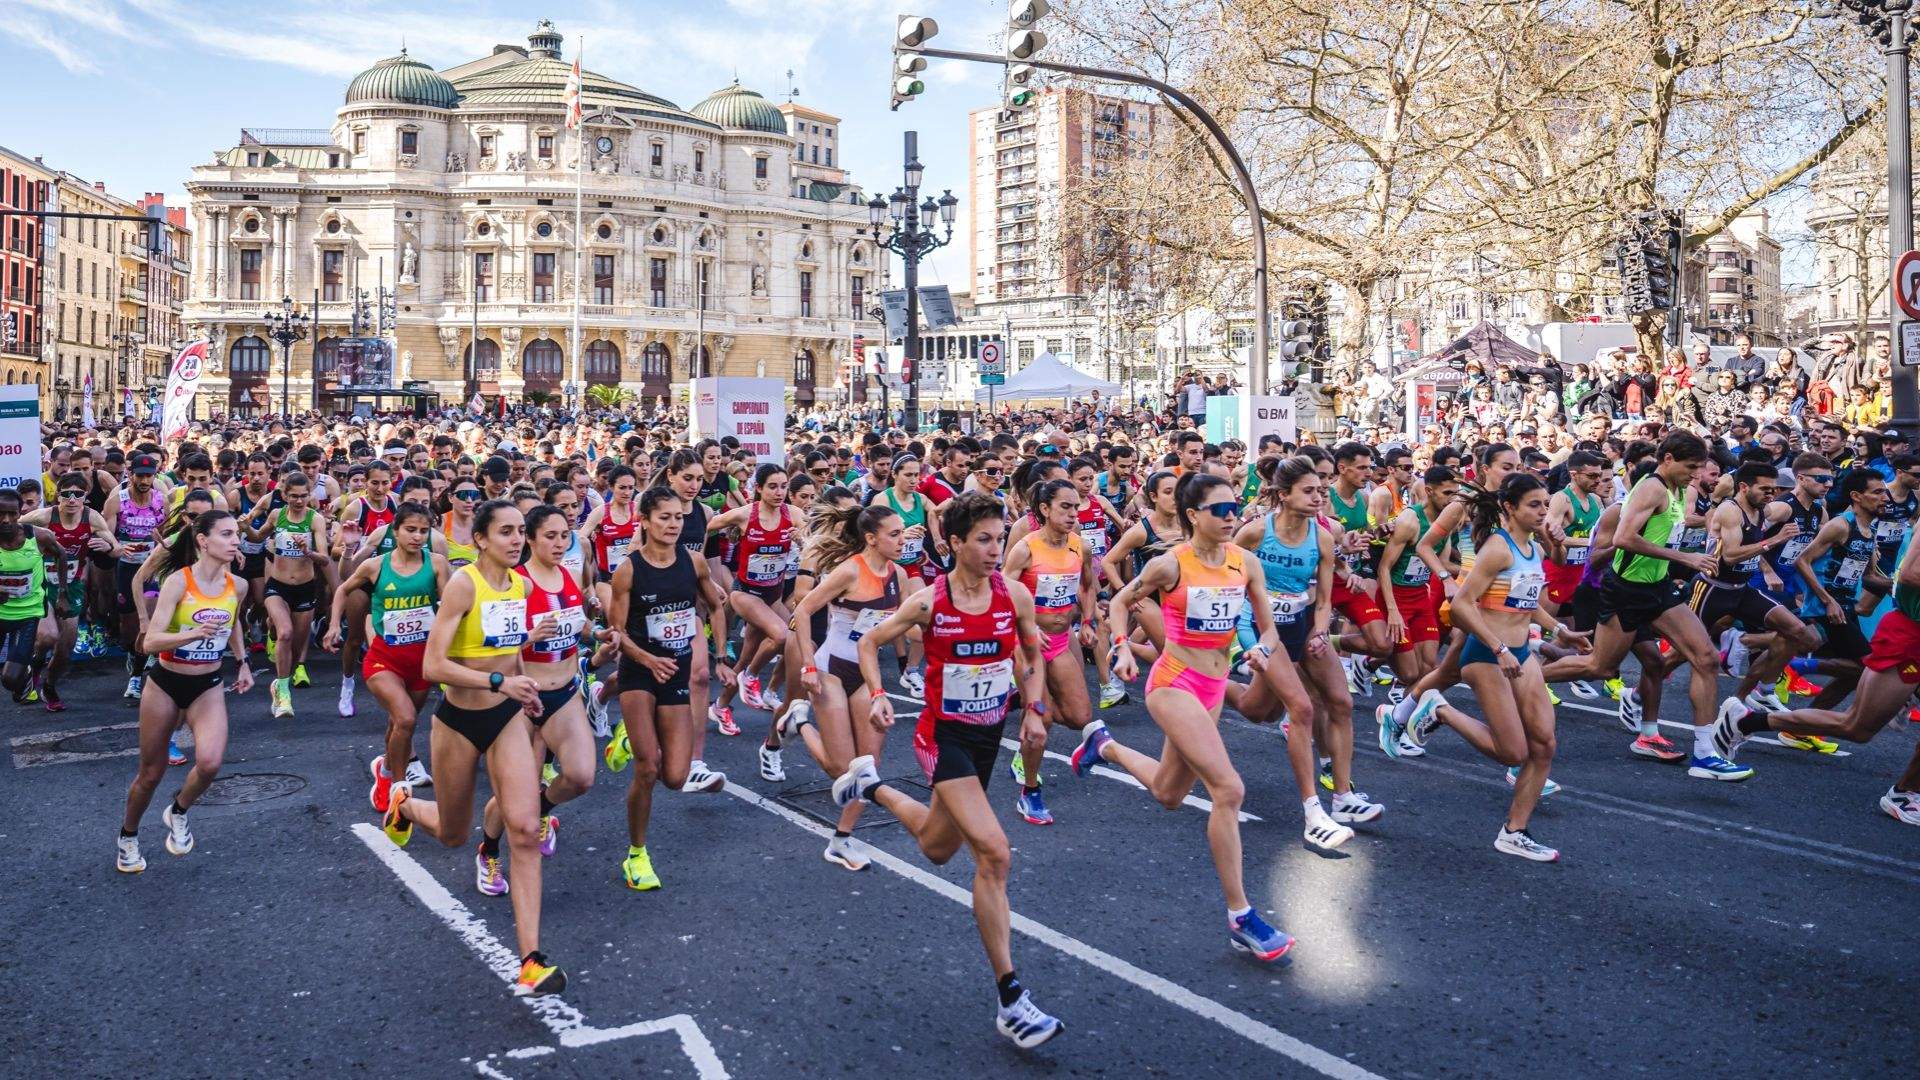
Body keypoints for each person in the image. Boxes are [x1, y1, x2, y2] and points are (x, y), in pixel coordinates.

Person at [835, 491, 1063, 1048]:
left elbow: (1031, 657)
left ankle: (869, 784)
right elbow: (869, 641)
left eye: (999, 536)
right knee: (994, 852)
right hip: (942, 738)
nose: (994, 548)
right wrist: (877, 691)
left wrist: (1034, 708)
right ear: (955, 543)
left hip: (988, 737)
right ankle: (1012, 999)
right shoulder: (928, 602)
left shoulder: (1014, 596)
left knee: (939, 847)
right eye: (982, 539)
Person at [1075, 474, 1295, 962]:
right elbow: (1119, 600)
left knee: (1170, 794)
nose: (1231, 516)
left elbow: (1269, 630)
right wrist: (1119, 647)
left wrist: (1261, 648)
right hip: (1172, 683)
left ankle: (1102, 746)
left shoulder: (1246, 563)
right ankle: (1242, 916)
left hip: (1214, 688)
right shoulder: (1169, 564)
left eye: (1234, 507)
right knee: (1229, 789)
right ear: (1194, 515)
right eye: (1220, 509)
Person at [381, 500, 564, 996]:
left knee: (524, 829)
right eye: (504, 532)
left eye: (520, 532)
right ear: (480, 538)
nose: (515, 540)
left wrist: (522, 683)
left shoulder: (521, 585)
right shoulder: (463, 584)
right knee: (454, 834)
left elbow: (505, 648)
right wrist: (501, 680)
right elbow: (433, 666)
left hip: (504, 717)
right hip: (458, 721)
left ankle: (531, 959)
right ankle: (406, 805)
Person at [1384, 475, 1589, 860]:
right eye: (1534, 505)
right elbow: (1462, 604)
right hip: (1487, 655)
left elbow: (1526, 604)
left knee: (1543, 745)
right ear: (1510, 507)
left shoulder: (1533, 547)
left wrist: (1561, 630)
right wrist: (1498, 648)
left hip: (1519, 655)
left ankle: (1515, 831)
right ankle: (1438, 708)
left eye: (1546, 504)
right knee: (1512, 752)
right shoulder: (1498, 548)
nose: (1544, 511)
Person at [1537, 432, 1752, 780]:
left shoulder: (1679, 489)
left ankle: (1701, 752)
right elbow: (1623, 539)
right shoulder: (1651, 488)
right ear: (1668, 459)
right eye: (1691, 466)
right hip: (1627, 590)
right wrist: (1682, 557)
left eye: (1701, 468)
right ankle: (1524, 679)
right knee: (1599, 666)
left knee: (1703, 658)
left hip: (1659, 587)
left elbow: (1666, 532)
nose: (1696, 474)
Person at [1236, 456, 1377, 848]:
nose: (1319, 497)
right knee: (1294, 709)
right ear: (1283, 495)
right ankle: (1313, 813)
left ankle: (1344, 797)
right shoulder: (1253, 532)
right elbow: (1227, 579)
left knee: (1339, 702)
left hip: (1301, 624)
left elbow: (1325, 599)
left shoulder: (1323, 537)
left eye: (1321, 490)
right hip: (1261, 630)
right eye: (1310, 491)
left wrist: (1318, 631)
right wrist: (1245, 639)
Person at [604, 487, 734, 891]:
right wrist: (646, 659)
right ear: (644, 521)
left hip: (675, 671)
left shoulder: (693, 562)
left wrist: (721, 656)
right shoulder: (629, 569)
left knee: (676, 777)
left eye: (678, 517)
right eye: (664, 517)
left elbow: (714, 604)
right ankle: (637, 855)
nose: (673, 524)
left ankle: (625, 738)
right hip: (640, 673)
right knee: (648, 768)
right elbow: (616, 633)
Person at [118, 510, 253, 872]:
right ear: (203, 541)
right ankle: (128, 836)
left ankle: (178, 809)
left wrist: (242, 661)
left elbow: (234, 621)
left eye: (236, 534)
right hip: (166, 682)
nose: (235, 541)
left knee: (209, 763)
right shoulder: (179, 582)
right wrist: (189, 635)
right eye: (226, 534)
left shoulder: (236, 585)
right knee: (151, 773)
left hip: (207, 684)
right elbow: (150, 642)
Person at [786, 499, 908, 870]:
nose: (903, 540)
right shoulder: (849, 571)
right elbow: (804, 609)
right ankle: (799, 719)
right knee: (842, 767)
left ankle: (841, 841)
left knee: (867, 768)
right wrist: (807, 665)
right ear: (871, 539)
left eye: (903, 532)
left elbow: (906, 622)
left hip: (865, 674)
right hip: (831, 669)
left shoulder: (897, 575)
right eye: (895, 534)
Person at [324, 504, 447, 812]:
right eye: (411, 530)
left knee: (400, 723)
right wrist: (333, 625)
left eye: (423, 531)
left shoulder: (437, 564)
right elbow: (342, 590)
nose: (418, 537)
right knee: (405, 718)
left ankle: (385, 770)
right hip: (384, 660)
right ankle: (398, 788)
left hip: (422, 661)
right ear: (396, 531)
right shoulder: (376, 566)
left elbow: (451, 606)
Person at [1000, 477, 1100, 826]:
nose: (1074, 513)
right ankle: (1030, 792)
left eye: (1076, 507)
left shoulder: (1079, 546)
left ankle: (1027, 716)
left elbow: (1088, 585)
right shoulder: (1025, 549)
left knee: (1078, 716)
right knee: (1040, 721)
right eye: (1065, 507)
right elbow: (1002, 595)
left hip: (1059, 640)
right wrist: (1023, 631)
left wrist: (1087, 621)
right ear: (1044, 509)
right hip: (1027, 646)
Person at [514, 505, 598, 860]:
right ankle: (487, 848)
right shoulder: (515, 582)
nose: (560, 543)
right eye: (550, 536)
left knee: (580, 776)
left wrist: (602, 635)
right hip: (522, 698)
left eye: (565, 535)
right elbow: (491, 646)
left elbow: (577, 625)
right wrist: (529, 636)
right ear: (530, 539)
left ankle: (544, 810)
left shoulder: (568, 577)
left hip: (564, 694)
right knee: (518, 794)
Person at [244, 471, 331, 718]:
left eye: (304, 496)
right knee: (285, 632)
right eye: (294, 496)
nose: (299, 501)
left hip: (304, 588)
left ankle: (281, 681)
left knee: (295, 646)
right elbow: (258, 537)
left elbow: (324, 558)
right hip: (278, 586)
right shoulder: (277, 515)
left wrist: (309, 553)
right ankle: (284, 693)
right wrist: (245, 526)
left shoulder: (315, 520)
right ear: (285, 495)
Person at [23, 474, 113, 710]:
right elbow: (11, 528)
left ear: (85, 497)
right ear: (57, 496)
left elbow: (117, 549)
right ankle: (36, 661)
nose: (71, 499)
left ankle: (49, 685)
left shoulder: (92, 518)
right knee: (48, 636)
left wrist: (108, 546)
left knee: (66, 645)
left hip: (72, 585)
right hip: (42, 584)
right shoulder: (43, 517)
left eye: (78, 494)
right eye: (66, 494)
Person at [103, 451, 169, 700]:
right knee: (129, 626)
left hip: (151, 569)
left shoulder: (161, 500)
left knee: (148, 620)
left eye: (149, 476)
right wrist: (116, 548)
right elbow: (107, 535)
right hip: (127, 567)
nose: (144, 481)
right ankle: (135, 653)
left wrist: (162, 547)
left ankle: (136, 678)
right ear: (130, 474)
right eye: (140, 476)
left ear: (155, 476)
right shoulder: (116, 501)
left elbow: (165, 532)